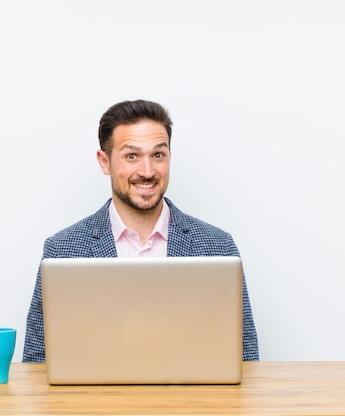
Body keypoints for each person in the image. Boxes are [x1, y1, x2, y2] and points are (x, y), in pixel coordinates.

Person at [22, 99, 259, 362]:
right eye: (131, 156)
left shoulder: (218, 247)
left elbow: (245, 357)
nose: (147, 171)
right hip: (92, 403)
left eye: (158, 155)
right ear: (105, 162)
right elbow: (36, 360)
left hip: (192, 401)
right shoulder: (62, 250)